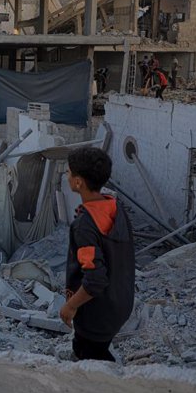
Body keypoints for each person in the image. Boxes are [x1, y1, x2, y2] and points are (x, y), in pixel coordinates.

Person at [60, 148, 135, 362]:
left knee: (94, 357)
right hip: (119, 301)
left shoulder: (84, 226)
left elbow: (94, 280)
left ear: (78, 183)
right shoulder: (114, 207)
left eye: (68, 173)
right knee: (82, 345)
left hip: (97, 311)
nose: (67, 176)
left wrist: (70, 305)